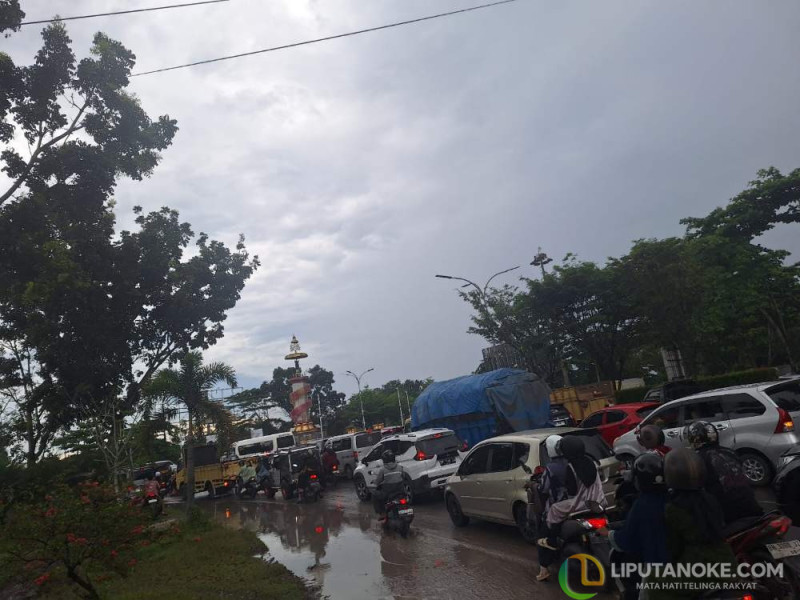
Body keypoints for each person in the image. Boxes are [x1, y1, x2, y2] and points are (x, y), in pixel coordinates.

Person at [661, 447, 737, 599]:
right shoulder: (710, 499)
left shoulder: (673, 508)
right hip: (727, 562)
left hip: (696, 569)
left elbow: (673, 548)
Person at [596, 453, 669, 599]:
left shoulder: (642, 505)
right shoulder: (672, 497)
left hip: (657, 568)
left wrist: (608, 533)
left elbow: (626, 541)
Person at [684, 420, 763, 523]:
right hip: (752, 506)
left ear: (695, 438)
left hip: (726, 515)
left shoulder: (697, 459)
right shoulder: (730, 452)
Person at [538, 436, 606, 551]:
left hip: (583, 504)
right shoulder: (592, 461)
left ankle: (552, 541)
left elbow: (572, 492)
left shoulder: (570, 467)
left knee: (554, 509)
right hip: (599, 501)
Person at [534, 435, 569, 581]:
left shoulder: (551, 468)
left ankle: (544, 570)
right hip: (579, 503)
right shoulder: (572, 462)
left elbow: (543, 489)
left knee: (542, 536)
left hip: (557, 507)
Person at [372, 449, 406, 522]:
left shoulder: (383, 470)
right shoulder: (400, 467)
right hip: (400, 491)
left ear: (384, 460)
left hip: (388, 493)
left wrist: (375, 482)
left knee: (375, 494)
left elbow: (378, 481)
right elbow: (404, 476)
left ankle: (382, 513)